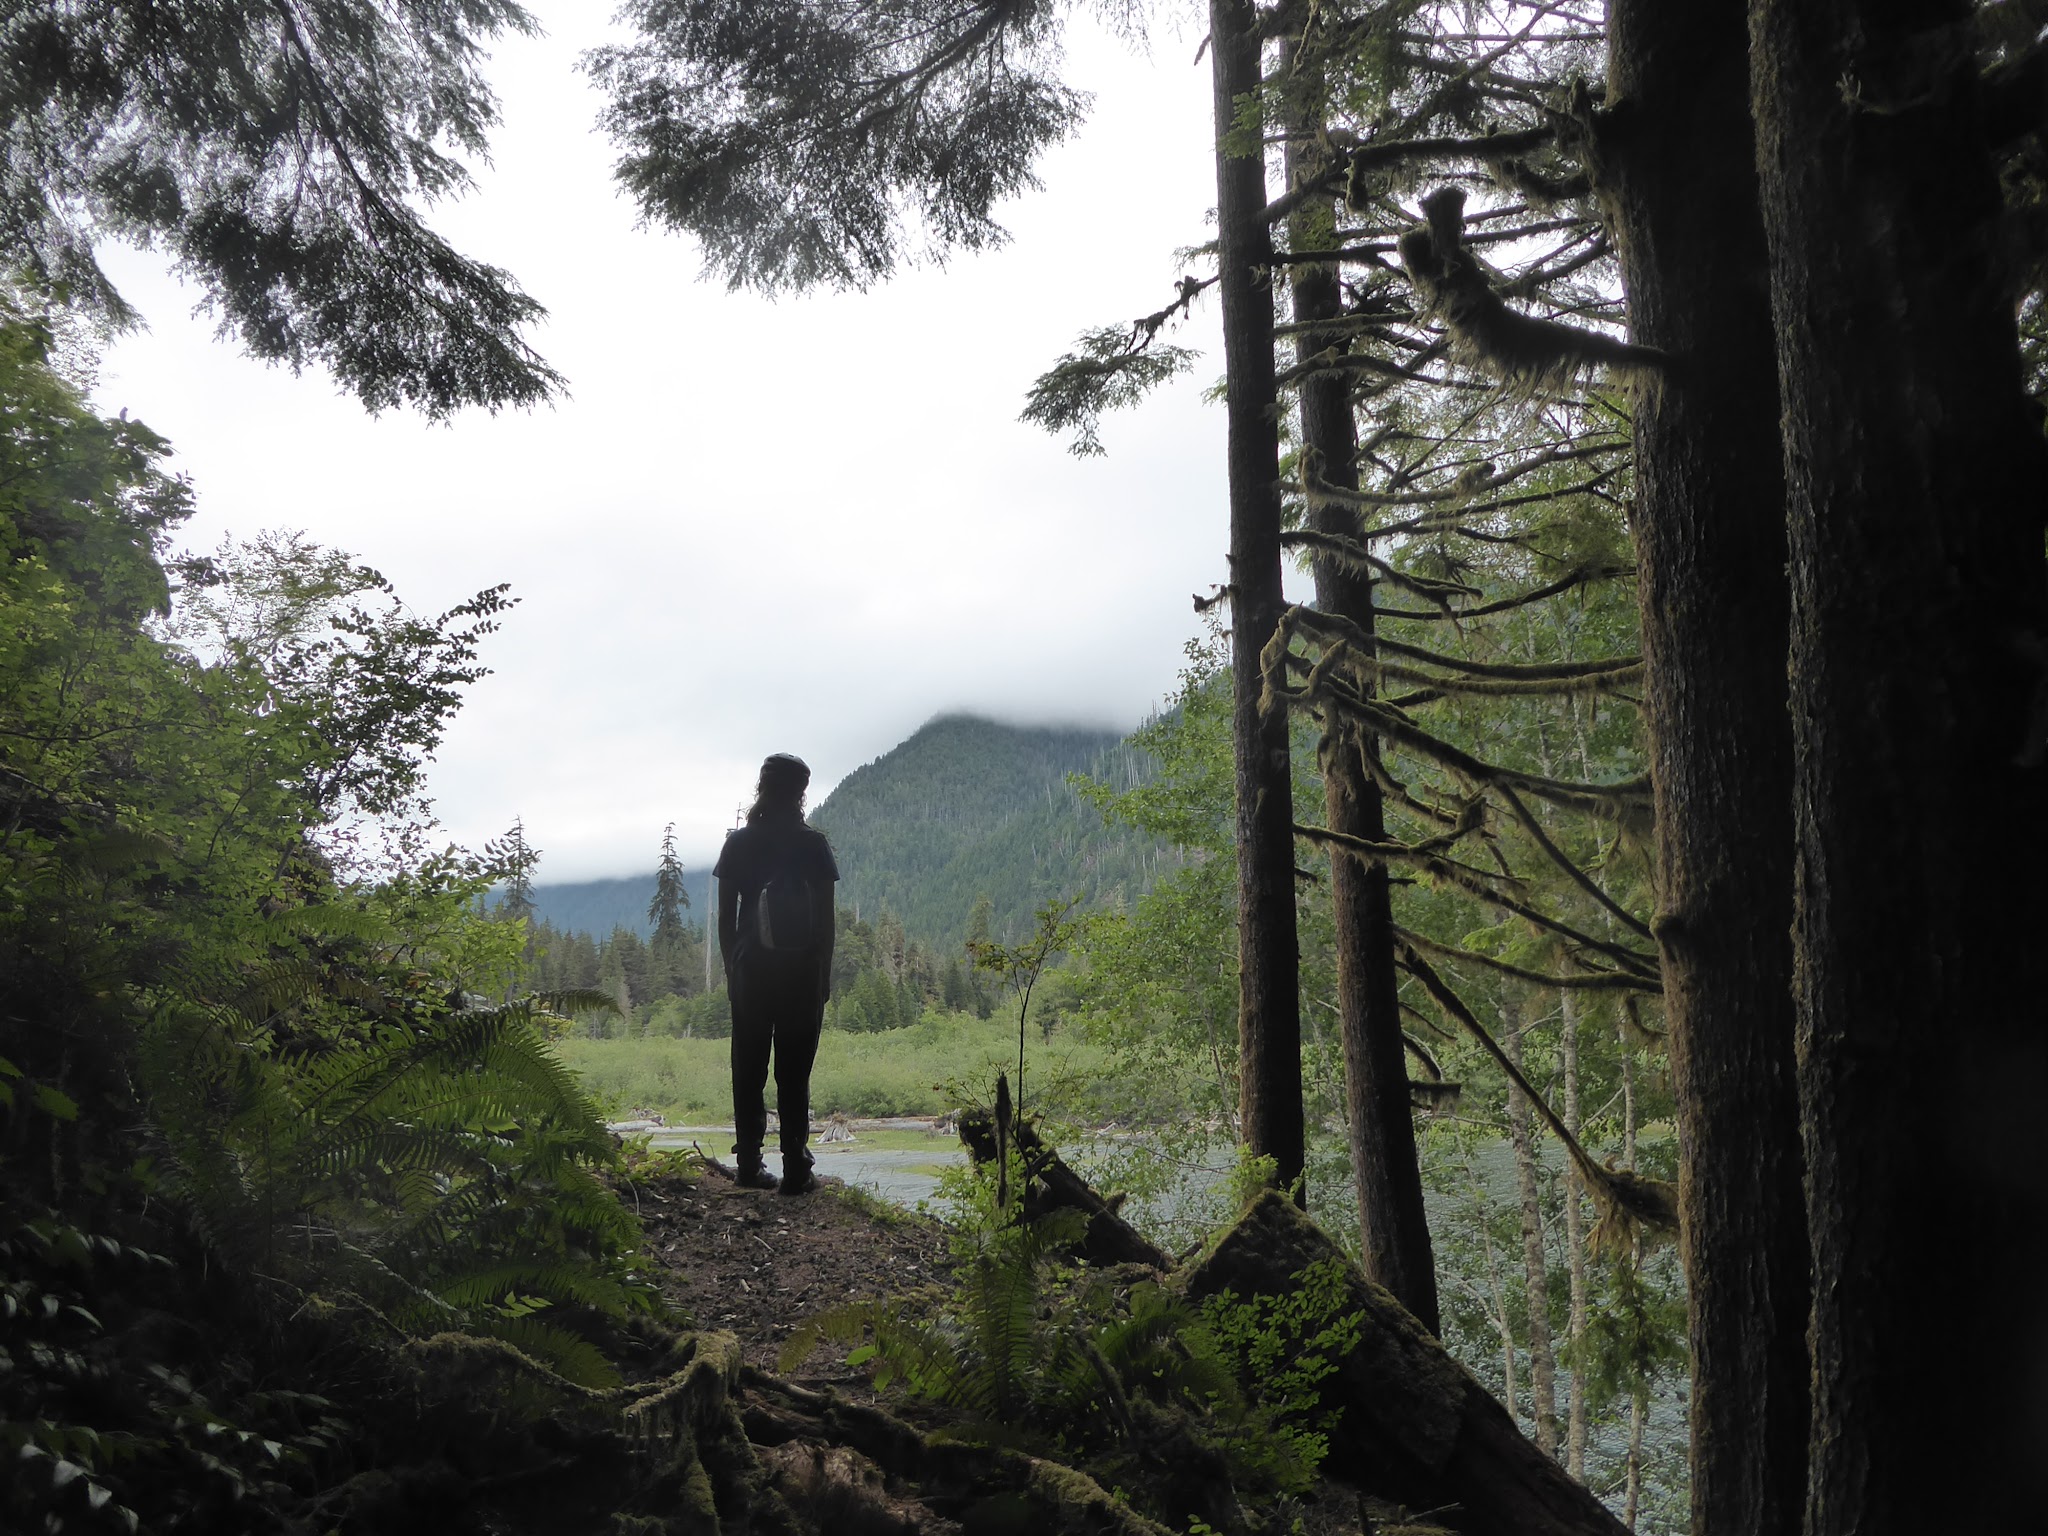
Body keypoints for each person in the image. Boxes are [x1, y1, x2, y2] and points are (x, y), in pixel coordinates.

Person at [713, 753, 838, 1194]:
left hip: (751, 972)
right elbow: (826, 922)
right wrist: (823, 977)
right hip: (802, 972)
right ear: (800, 792)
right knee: (794, 1072)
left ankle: (749, 1165)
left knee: (748, 1068)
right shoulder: (813, 844)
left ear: (761, 788)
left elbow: (726, 919)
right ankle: (796, 1169)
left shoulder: (739, 843)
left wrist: (732, 969)